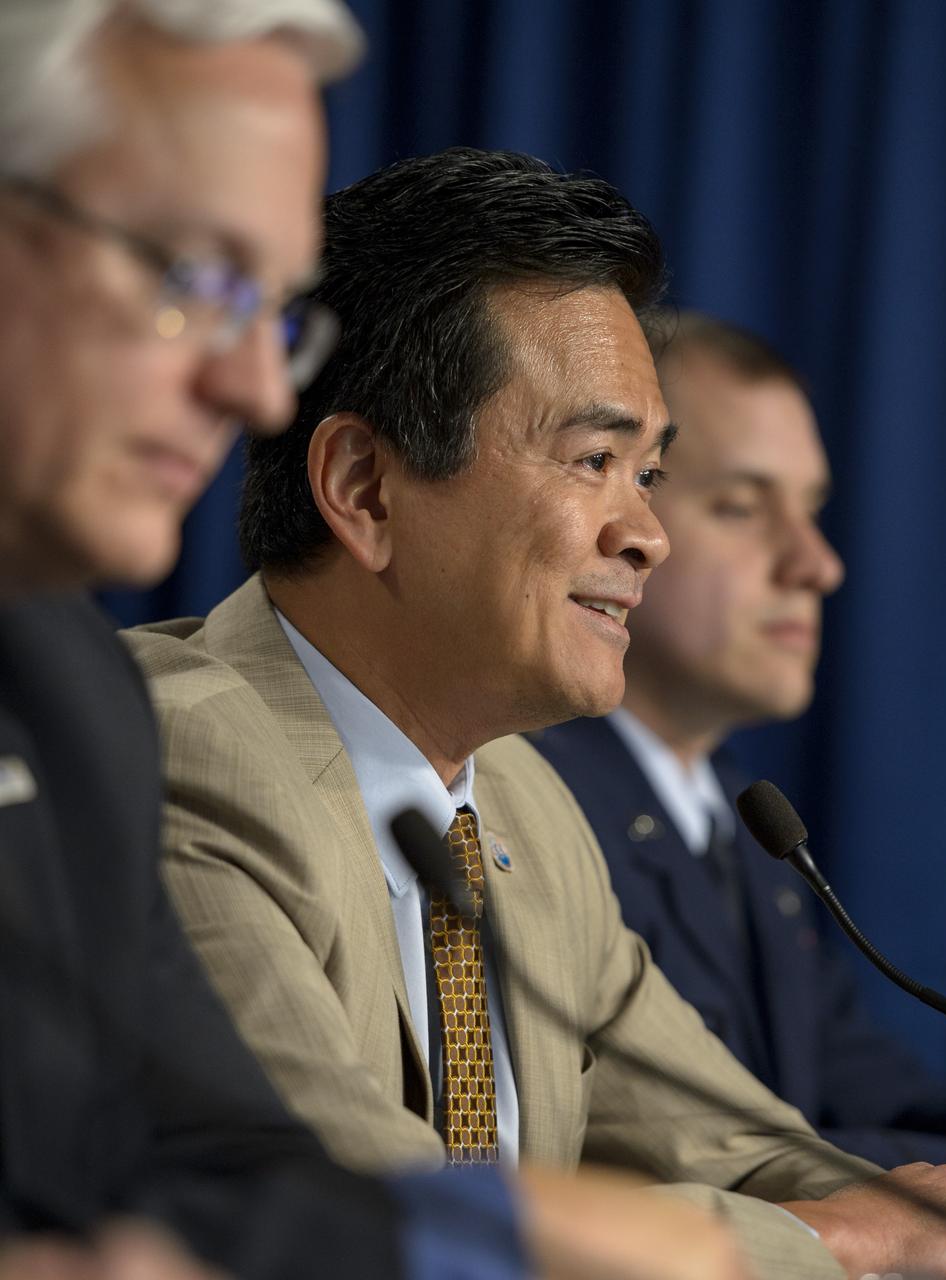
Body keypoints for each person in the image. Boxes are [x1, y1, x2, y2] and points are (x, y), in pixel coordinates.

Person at [127, 148, 946, 1279]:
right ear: (366, 488)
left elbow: (738, 1138)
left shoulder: (518, 802)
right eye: (595, 459)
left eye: (649, 475)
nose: (646, 535)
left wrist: (929, 1229)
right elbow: (369, 1221)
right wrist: (836, 1237)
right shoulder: (178, 759)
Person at [0, 5, 745, 1278]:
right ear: (367, 490)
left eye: (271, 310)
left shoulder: (67, 692)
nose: (255, 389)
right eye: (192, 277)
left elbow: (222, 1164)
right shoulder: (180, 733)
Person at [531, 309, 946, 1278]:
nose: (817, 563)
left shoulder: (741, 819)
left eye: (811, 507)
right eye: (741, 504)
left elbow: (856, 1069)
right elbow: (710, 1165)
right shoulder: (533, 805)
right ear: (620, 514)